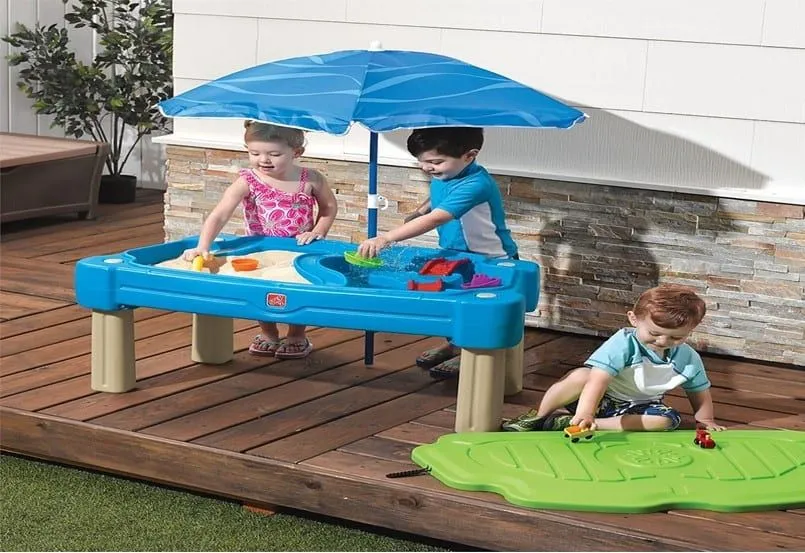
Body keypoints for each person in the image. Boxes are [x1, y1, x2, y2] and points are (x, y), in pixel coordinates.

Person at [357, 127, 518, 377]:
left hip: (490, 259)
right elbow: (436, 200)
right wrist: (420, 211)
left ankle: (471, 353)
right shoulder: (445, 174)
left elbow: (438, 217)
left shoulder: (476, 185)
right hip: (456, 253)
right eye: (421, 162)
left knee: (474, 307)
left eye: (435, 162)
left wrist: (387, 237)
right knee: (452, 301)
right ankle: (455, 344)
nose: (427, 168)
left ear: (469, 155)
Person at [183, 120, 338, 359]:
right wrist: (203, 246)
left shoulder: (310, 179)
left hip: (299, 248)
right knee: (261, 289)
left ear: (297, 152)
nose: (263, 160)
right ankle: (268, 333)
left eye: (274, 154)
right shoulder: (248, 181)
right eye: (254, 153)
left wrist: (318, 231)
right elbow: (220, 214)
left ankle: (297, 334)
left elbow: (328, 208)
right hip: (260, 248)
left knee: (298, 289)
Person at [502, 284, 726, 433]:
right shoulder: (624, 344)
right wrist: (585, 411)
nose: (663, 341)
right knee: (582, 375)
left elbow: (699, 391)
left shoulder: (687, 358)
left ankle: (577, 425)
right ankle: (538, 416)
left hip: (639, 407)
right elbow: (598, 380)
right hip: (595, 398)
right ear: (634, 319)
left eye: (676, 337)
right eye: (654, 333)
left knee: (667, 421)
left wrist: (705, 420)